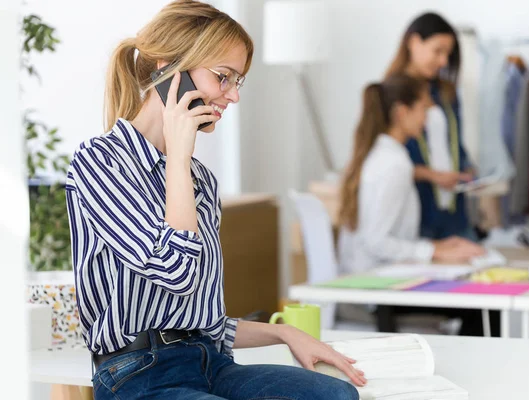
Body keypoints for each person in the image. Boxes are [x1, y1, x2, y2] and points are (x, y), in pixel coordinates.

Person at [64, 1, 364, 399]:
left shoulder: (200, 180)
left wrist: (284, 332)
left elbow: (201, 320)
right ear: (166, 67)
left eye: (237, 82)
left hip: (211, 363)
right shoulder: (99, 162)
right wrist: (178, 156)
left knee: (336, 395)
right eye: (223, 77)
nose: (233, 97)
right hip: (137, 373)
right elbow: (176, 271)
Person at [337, 75, 490, 336]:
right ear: (401, 112)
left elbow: (384, 237)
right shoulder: (394, 165)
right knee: (483, 306)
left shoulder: (383, 155)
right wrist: (433, 252)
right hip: (377, 293)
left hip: (375, 281)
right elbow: (375, 241)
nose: (427, 117)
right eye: (423, 109)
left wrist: (440, 246)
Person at [385, 12, 477, 241]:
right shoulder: (390, 93)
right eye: (438, 51)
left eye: (448, 54)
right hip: (420, 214)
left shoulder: (446, 92)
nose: (444, 61)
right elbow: (387, 159)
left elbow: (454, 143)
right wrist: (432, 175)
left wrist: (467, 170)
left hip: (455, 214)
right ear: (414, 43)